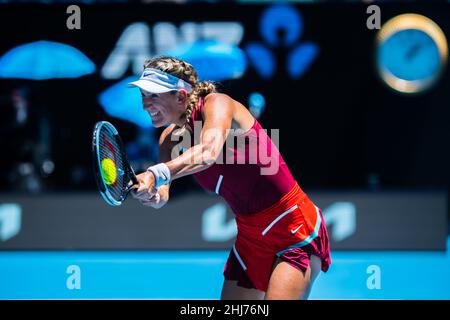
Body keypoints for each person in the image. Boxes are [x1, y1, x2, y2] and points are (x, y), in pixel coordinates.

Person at [128, 56, 331, 300]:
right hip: (250, 237)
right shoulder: (169, 140)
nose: (145, 105)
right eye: (143, 96)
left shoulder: (217, 103)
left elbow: (208, 151)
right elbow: (161, 196)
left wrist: (153, 173)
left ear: (180, 96)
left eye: (154, 96)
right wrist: (149, 193)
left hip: (293, 226)